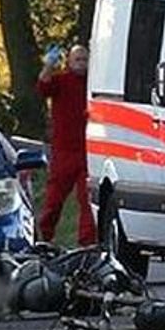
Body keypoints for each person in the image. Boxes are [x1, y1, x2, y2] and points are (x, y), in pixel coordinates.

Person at [36, 45, 97, 245]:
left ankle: (87, 242)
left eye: (84, 59)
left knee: (87, 200)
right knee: (54, 199)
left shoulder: (92, 85)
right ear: (69, 62)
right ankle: (43, 237)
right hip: (64, 151)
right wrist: (48, 65)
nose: (81, 63)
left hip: (87, 151)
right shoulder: (61, 81)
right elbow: (43, 87)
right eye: (77, 59)